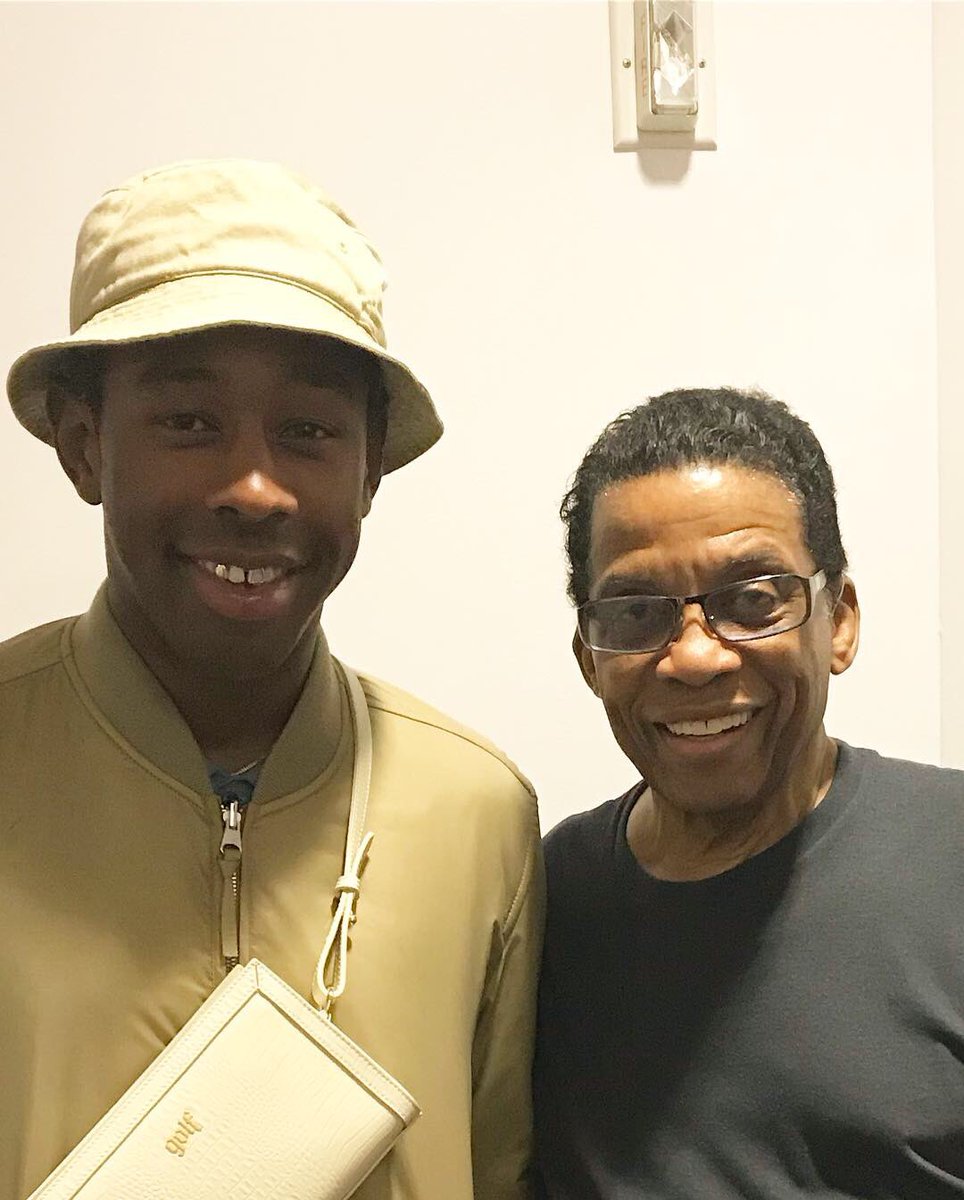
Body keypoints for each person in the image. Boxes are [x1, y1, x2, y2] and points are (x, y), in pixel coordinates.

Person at [0, 158, 543, 1200]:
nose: (255, 488)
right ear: (83, 445)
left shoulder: (477, 812)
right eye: (189, 422)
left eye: (308, 432)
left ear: (371, 469)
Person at [534, 387, 964, 1198]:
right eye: (635, 612)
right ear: (590, 658)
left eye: (753, 600)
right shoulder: (545, 904)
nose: (695, 657)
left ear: (839, 621)